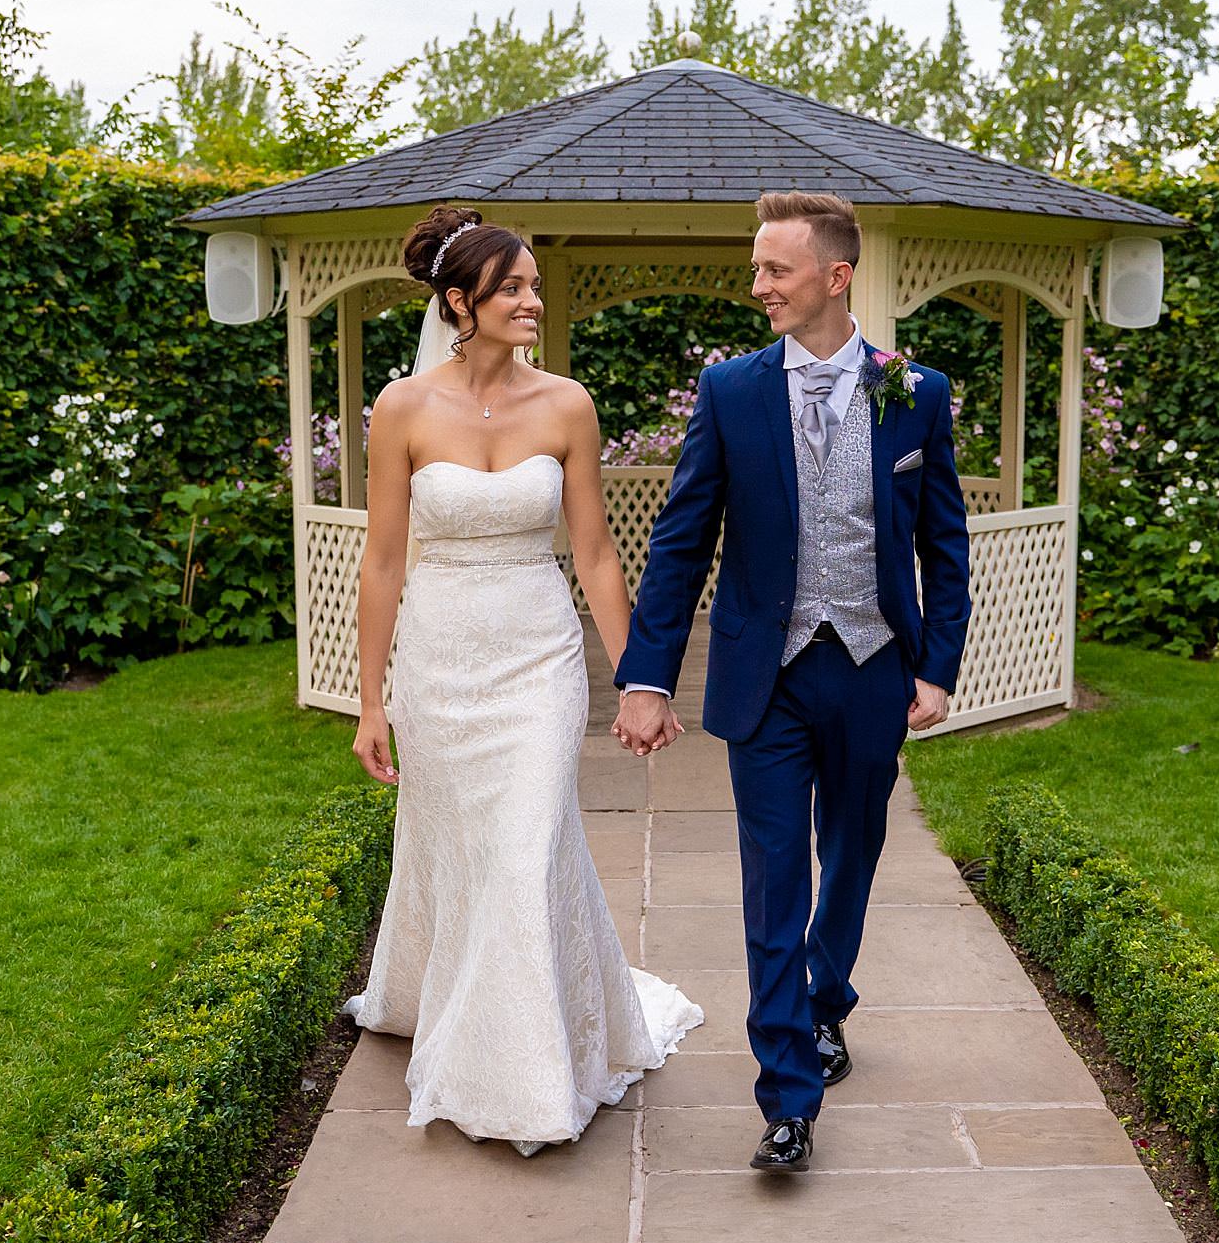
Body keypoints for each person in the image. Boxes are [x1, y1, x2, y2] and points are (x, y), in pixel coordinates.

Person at [612, 191, 972, 1172]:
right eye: (758, 267)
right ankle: (788, 1096)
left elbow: (944, 538)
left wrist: (937, 666)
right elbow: (682, 540)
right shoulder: (729, 391)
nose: (758, 284)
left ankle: (827, 997)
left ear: (835, 276)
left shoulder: (915, 393)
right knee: (774, 878)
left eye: (776, 268)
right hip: (763, 678)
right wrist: (646, 675)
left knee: (852, 850)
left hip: (870, 669)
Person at [343, 205, 703, 1156]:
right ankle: (456, 1008)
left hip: (538, 656)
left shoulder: (568, 405)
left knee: (523, 849)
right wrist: (371, 699)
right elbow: (383, 560)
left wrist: (642, 678)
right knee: (465, 853)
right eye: (514, 288)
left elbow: (593, 556)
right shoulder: (404, 409)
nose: (533, 301)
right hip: (441, 659)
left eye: (535, 285)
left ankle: (525, 1079)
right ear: (459, 302)